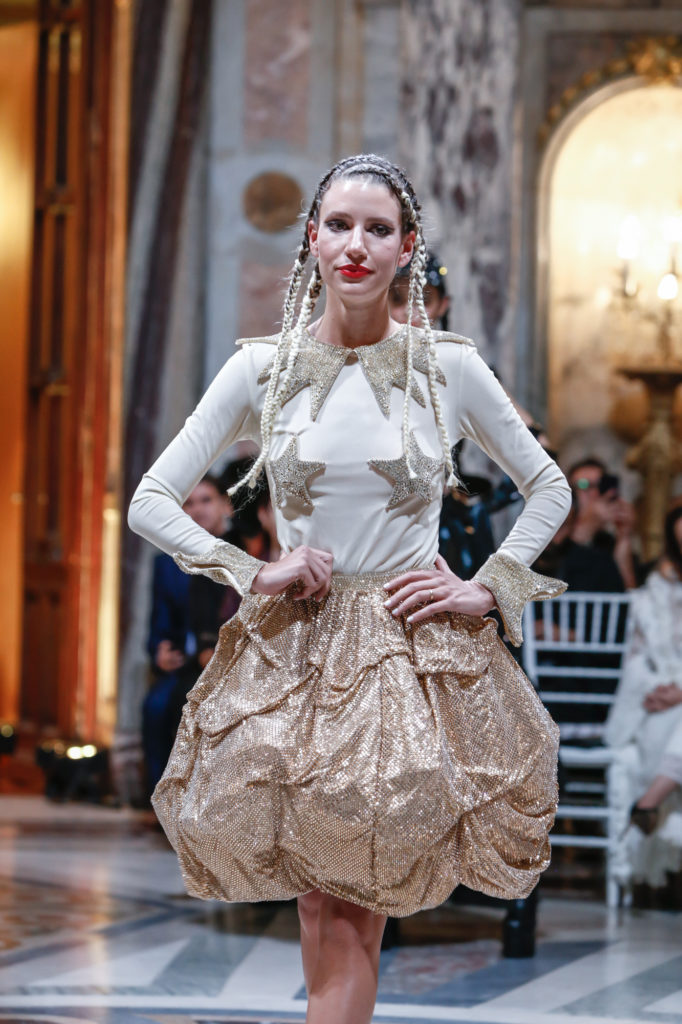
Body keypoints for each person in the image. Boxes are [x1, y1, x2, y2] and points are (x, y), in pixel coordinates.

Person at [128, 154, 571, 1024]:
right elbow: (150, 499)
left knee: (348, 907)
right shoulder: (261, 367)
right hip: (291, 650)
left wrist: (488, 588)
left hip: (402, 650)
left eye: (377, 229)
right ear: (312, 239)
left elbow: (548, 485)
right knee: (319, 905)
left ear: (407, 248)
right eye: (339, 225)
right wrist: (254, 570)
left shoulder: (447, 366)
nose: (356, 245)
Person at [605, 505, 682, 889]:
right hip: (663, 696)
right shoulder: (659, 586)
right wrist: (657, 687)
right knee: (667, 724)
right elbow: (640, 652)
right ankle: (651, 805)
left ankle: (647, 804)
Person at [142, 474, 230, 793]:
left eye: (206, 500)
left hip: (226, 662)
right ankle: (160, 797)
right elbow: (158, 624)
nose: (198, 509)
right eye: (189, 503)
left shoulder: (238, 553)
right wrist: (159, 651)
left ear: (225, 505)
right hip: (183, 662)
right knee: (156, 707)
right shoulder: (166, 565)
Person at [567, 457, 638, 589]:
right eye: (584, 485)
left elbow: (629, 594)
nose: (594, 493)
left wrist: (624, 538)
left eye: (599, 486)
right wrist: (586, 527)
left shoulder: (610, 543)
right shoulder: (555, 537)